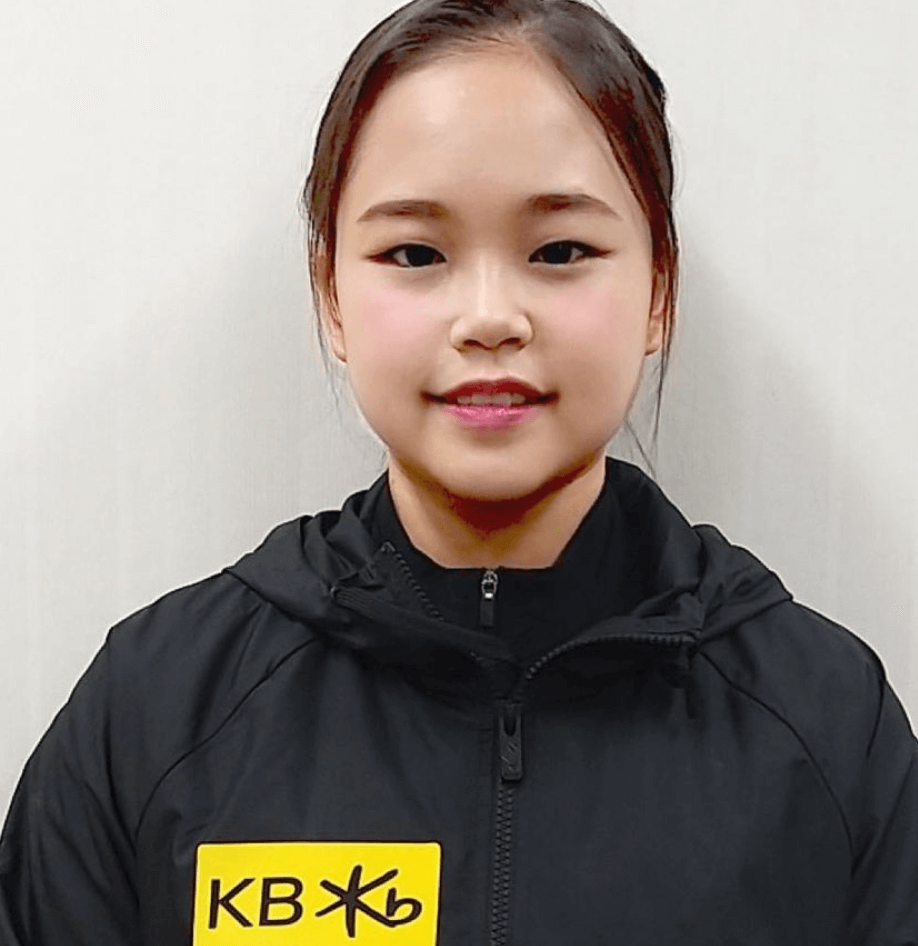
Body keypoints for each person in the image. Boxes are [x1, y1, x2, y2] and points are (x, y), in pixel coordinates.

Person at [2, 0, 916, 942]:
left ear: (658, 290)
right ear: (331, 296)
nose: (488, 318)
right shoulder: (155, 711)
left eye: (561, 250)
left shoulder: (826, 724)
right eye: (415, 253)